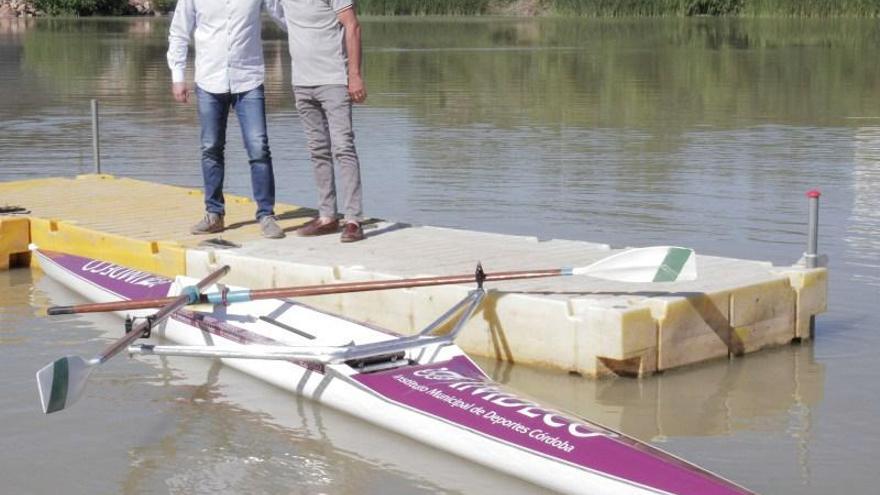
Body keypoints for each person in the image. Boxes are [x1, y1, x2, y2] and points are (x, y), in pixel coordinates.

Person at [167, 0, 285, 239]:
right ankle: (214, 214)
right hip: (209, 79)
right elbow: (179, 31)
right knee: (211, 147)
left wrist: (318, 31)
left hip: (248, 79)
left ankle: (266, 215)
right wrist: (178, 76)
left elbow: (284, 16)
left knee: (259, 147)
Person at [277, 0, 367, 242]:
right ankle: (327, 216)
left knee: (343, 147)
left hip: (334, 79)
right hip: (301, 82)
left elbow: (352, 26)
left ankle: (353, 220)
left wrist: (355, 76)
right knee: (317, 150)